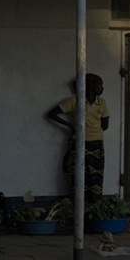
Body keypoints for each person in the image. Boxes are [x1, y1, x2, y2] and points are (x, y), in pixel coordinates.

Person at [47, 73, 109, 203]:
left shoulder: (102, 103)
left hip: (96, 145)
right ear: (91, 86)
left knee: (95, 178)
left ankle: (94, 205)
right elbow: (52, 114)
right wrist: (70, 126)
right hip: (79, 144)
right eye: (99, 85)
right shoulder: (75, 101)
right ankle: (80, 207)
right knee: (79, 176)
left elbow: (105, 124)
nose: (102, 88)